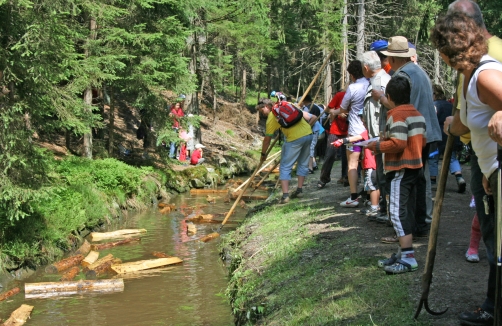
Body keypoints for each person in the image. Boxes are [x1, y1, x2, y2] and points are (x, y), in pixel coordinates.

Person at [431, 9, 502, 326]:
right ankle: (493, 305)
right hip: (493, 174)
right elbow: (466, 122)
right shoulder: (470, 77)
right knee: (496, 247)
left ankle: (493, 307)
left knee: (499, 249)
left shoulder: (486, 75)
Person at [373, 36, 441, 239]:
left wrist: (381, 98)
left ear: (392, 59)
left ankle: (406, 228)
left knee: (405, 183)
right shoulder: (420, 71)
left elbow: (400, 106)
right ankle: (422, 222)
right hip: (424, 131)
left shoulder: (401, 76)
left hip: (409, 134)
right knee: (420, 180)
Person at [367, 75, 427, 274]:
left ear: (389, 97)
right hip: (416, 167)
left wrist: (377, 145)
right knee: (407, 210)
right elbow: (419, 140)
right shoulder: (415, 112)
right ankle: (402, 253)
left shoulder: (396, 114)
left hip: (401, 168)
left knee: (396, 212)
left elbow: (399, 143)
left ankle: (408, 257)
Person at [258, 99, 313, 204]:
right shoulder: (287, 104)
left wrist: (263, 154)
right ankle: (299, 190)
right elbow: (308, 116)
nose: (261, 113)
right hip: (308, 134)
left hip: (294, 139)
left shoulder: (271, 116)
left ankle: (285, 196)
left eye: (261, 110)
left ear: (266, 106)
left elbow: (267, 139)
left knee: (285, 166)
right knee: (303, 163)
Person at [330, 60, 369, 207]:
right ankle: (368, 192)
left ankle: (353, 196)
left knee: (353, 163)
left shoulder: (353, 88)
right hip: (369, 131)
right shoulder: (370, 84)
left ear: (352, 75)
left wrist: (336, 112)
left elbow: (343, 109)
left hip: (354, 131)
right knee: (369, 163)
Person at [361, 50, 392, 220]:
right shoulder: (375, 80)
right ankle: (384, 210)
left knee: (385, 175)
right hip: (378, 138)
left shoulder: (381, 82)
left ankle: (388, 212)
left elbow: (387, 110)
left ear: (366, 67)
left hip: (383, 138)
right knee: (381, 175)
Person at [429, 85, 466, 192]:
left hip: (438, 135)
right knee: (452, 157)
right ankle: (459, 178)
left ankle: (432, 180)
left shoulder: (434, 106)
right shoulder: (450, 105)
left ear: (434, 94)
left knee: (433, 158)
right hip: (451, 134)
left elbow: (432, 120)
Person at [318, 89, 348, 188]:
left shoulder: (359, 95)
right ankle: (324, 179)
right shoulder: (340, 95)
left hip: (351, 130)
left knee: (348, 156)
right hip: (335, 130)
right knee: (329, 154)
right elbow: (327, 109)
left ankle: (346, 177)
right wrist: (337, 113)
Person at [301, 94, 322, 173]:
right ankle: (314, 164)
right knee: (312, 147)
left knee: (310, 148)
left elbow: (309, 119)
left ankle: (310, 168)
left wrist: (307, 127)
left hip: (312, 130)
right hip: (316, 128)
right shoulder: (316, 106)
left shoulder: (307, 108)